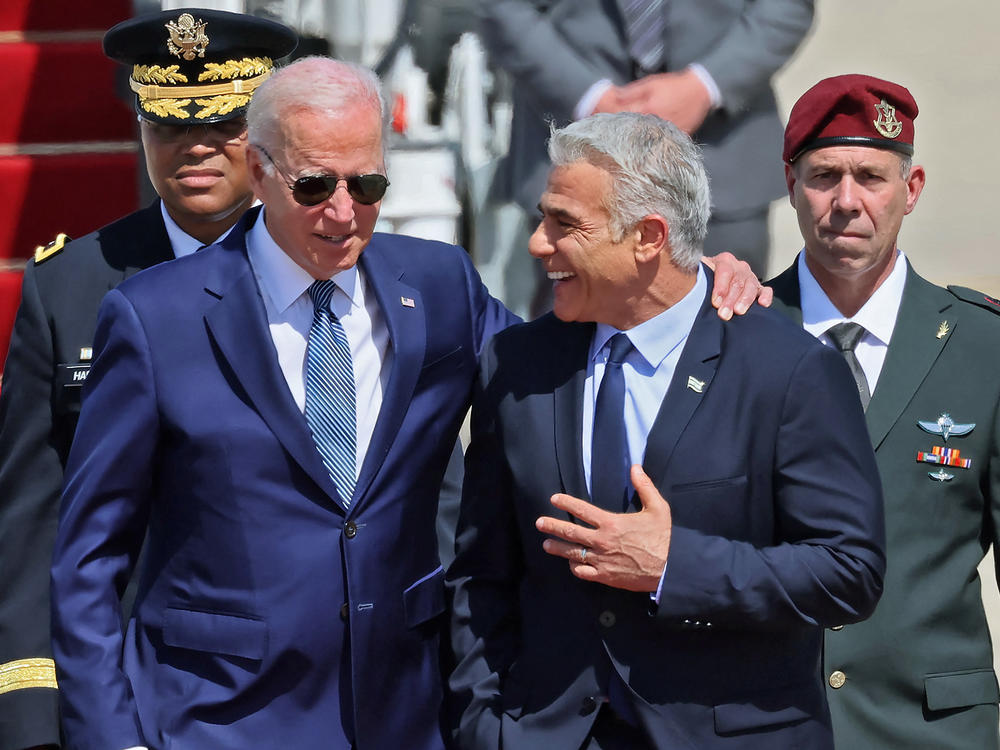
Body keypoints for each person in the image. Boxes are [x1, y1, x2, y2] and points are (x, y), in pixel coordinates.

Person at [447, 111, 886, 749]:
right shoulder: (516, 364)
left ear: (649, 237)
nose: (539, 243)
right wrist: (485, 729)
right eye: (544, 217)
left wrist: (672, 565)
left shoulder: (787, 369)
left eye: (565, 224)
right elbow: (481, 575)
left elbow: (849, 572)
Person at [0, 9, 295, 750]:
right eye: (167, 125)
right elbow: (32, 518)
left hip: (303, 678)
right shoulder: (69, 287)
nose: (193, 146)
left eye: (224, 124)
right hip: (126, 688)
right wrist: (33, 713)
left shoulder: (325, 270)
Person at [768, 73, 1000, 749]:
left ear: (912, 188)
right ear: (789, 184)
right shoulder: (736, 332)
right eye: (823, 176)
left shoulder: (983, 347)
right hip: (775, 724)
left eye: (871, 175)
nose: (847, 201)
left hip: (931, 731)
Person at [474, 0, 814, 317]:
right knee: (570, 347)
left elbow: (786, 6)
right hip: (571, 143)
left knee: (728, 325)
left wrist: (704, 86)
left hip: (722, 150)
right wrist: (588, 98)